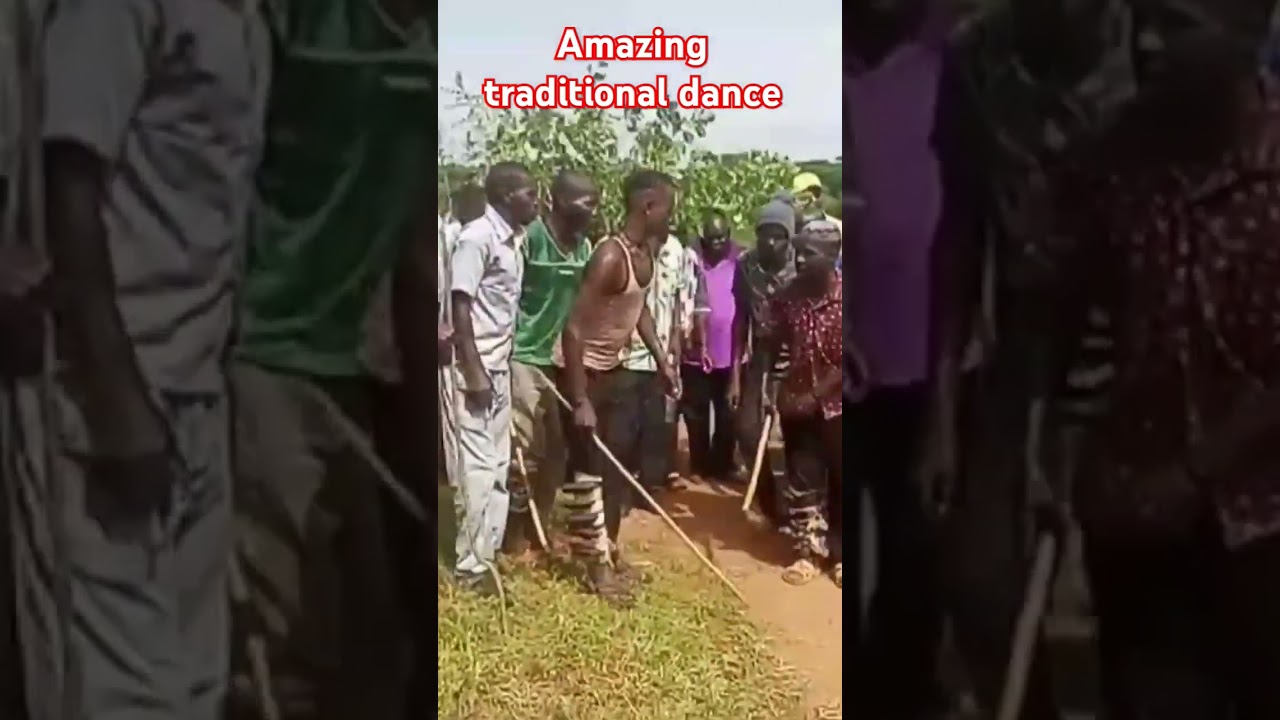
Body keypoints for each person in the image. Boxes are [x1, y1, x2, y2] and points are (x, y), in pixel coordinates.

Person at [3, 1, 269, 717]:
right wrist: (117, 405)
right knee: (115, 692)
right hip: (103, 396)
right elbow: (70, 187)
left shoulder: (244, 18)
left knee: (192, 683)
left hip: (194, 391)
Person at [1056, 3, 1280, 717]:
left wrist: (1196, 470)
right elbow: (1065, 318)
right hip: (1134, 515)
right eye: (1142, 17)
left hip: (1263, 521)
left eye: (1177, 23)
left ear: (1243, 31)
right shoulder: (1114, 165)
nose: (1148, 42)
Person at [228, 3, 432, 717]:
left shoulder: (430, 42)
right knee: (284, 639)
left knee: (376, 638)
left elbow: (413, 253)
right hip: (262, 349)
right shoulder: (300, 20)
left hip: (353, 363)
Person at [929, 0, 1133, 717]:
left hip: (1148, 360)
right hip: (1019, 355)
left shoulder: (1151, 40)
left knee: (1138, 611)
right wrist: (944, 418)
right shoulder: (975, 57)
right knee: (983, 588)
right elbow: (958, 240)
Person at [848, 1, 954, 716]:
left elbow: (966, 233)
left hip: (927, 359)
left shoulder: (950, 65)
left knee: (919, 560)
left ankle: (907, 692)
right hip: (840, 365)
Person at [561, 168, 678, 604]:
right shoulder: (610, 257)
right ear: (648, 207)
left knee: (617, 471)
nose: (672, 217)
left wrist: (662, 360)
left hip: (617, 370)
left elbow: (638, 309)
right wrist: (579, 400)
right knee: (591, 474)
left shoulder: (643, 253)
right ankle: (595, 568)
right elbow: (572, 330)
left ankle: (607, 550)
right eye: (668, 208)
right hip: (585, 375)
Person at [448, 162, 538, 592]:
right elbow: (459, 306)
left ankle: (488, 552)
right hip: (475, 370)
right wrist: (474, 370)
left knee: (500, 464)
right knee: (479, 468)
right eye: (530, 194)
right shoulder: (476, 239)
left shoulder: (513, 241)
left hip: (498, 366)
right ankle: (470, 566)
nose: (536, 202)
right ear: (506, 196)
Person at [503, 170, 598, 557]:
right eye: (587, 202)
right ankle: (510, 536)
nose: (594, 211)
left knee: (556, 454)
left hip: (561, 362)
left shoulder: (585, 248)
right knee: (520, 455)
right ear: (560, 201)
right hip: (524, 357)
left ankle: (538, 530)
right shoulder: (530, 242)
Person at [759, 220, 843, 588]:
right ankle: (808, 552)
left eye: (809, 253)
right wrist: (768, 387)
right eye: (799, 252)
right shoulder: (787, 296)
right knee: (803, 477)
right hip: (796, 403)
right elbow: (770, 341)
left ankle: (841, 554)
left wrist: (815, 396)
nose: (800, 259)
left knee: (842, 479)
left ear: (833, 256)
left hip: (839, 405)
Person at [612, 227, 702, 509]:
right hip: (626, 354)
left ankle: (648, 488)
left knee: (658, 425)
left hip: (662, 354)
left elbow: (679, 298)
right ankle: (620, 491)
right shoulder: (619, 251)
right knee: (624, 428)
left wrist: (676, 338)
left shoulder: (678, 252)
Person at [729, 197, 797, 527]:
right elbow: (740, 320)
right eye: (764, 234)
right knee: (747, 429)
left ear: (790, 238)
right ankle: (771, 505)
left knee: (799, 437)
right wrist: (736, 378)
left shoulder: (804, 264)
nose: (770, 242)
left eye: (778, 235)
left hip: (801, 359)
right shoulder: (746, 265)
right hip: (761, 356)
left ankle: (803, 510)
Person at [680, 210, 739, 482]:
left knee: (728, 416)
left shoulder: (739, 261)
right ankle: (699, 465)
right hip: (695, 355)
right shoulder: (691, 261)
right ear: (703, 237)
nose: (717, 243)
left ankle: (723, 464)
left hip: (731, 354)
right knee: (696, 414)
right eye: (711, 238)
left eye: (721, 238)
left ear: (728, 236)